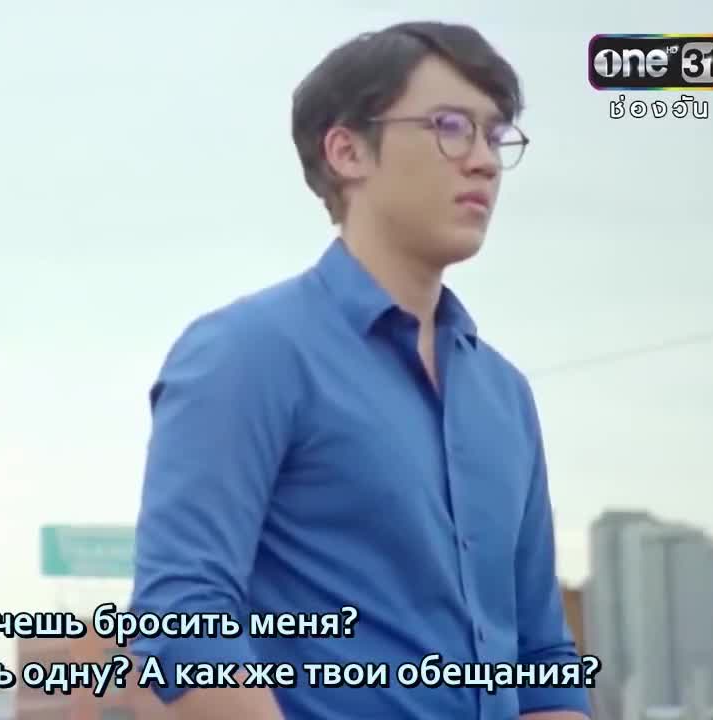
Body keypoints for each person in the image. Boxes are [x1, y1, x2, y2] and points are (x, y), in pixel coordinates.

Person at [129, 22, 591, 720]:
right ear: (346, 150)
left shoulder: (505, 395)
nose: (483, 162)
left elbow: (542, 659)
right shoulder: (248, 354)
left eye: (495, 136)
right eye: (450, 127)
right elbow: (182, 620)